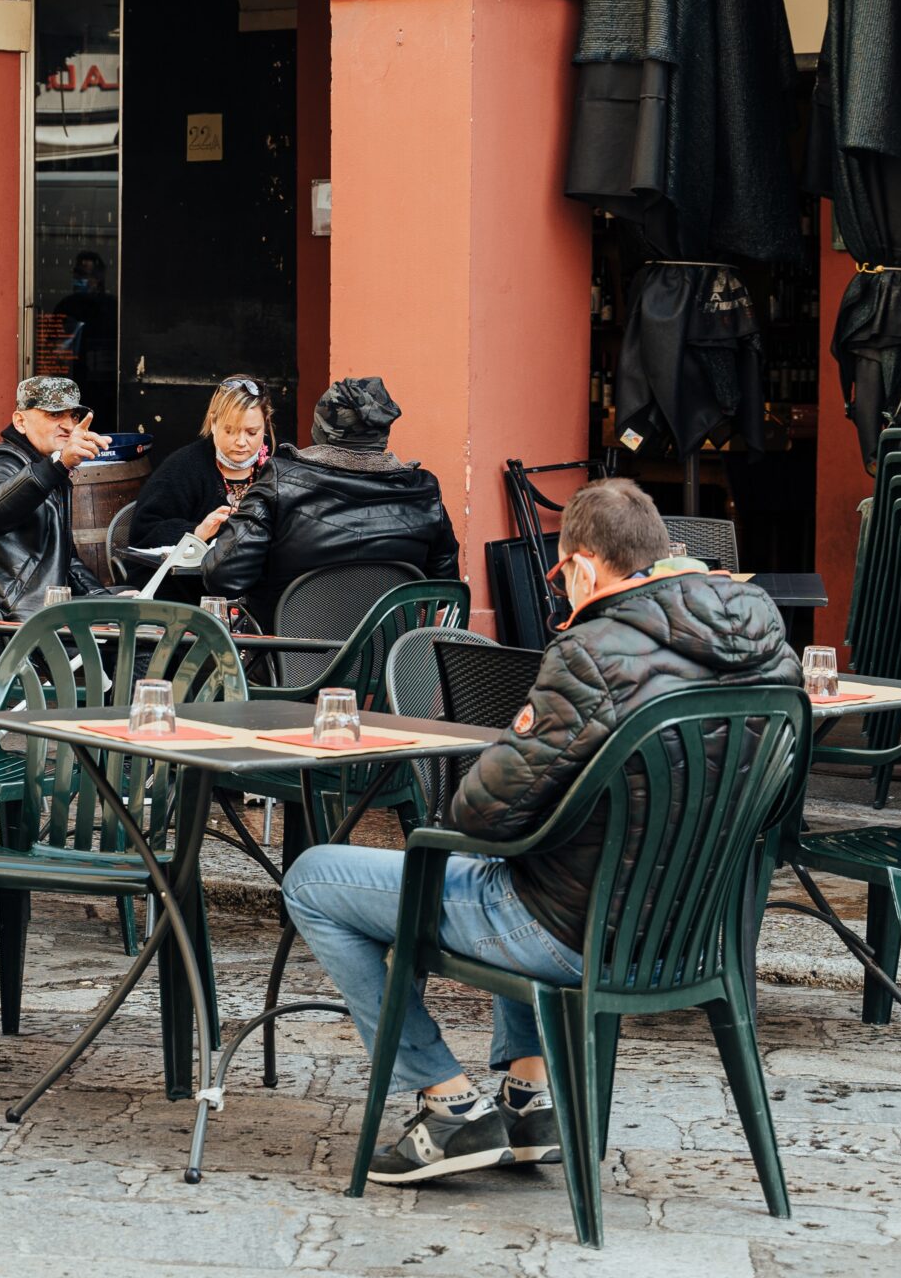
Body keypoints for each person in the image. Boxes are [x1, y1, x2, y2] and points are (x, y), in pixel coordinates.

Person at [283, 479, 798, 1186]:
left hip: (571, 933)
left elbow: (478, 815)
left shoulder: (592, 652)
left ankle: (446, 1103)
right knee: (538, 852)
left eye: (563, 576)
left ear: (583, 568)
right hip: (692, 930)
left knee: (314, 876)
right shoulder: (768, 641)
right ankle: (527, 1103)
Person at [201, 375, 460, 623]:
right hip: (389, 661)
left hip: (289, 657)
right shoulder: (424, 492)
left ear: (320, 428)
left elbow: (224, 576)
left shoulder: (279, 481)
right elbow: (445, 594)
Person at [0, 375, 110, 612]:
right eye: (54, 414)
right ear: (20, 422)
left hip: (44, 614)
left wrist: (103, 599)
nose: (69, 425)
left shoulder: (50, 471)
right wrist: (59, 464)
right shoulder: (2, 459)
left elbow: (65, 561)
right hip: (0, 622)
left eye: (73, 416)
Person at [130, 374, 276, 553]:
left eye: (252, 432)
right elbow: (144, 530)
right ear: (214, 423)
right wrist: (198, 532)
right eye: (230, 431)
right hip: (193, 577)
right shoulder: (184, 466)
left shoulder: (281, 462)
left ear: (266, 424)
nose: (241, 441)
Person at [50, 251, 118, 421]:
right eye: (77, 273)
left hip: (110, 387)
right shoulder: (66, 306)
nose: (78, 278)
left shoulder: (113, 307)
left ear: (98, 278)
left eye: (85, 274)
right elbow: (53, 350)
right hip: (75, 384)